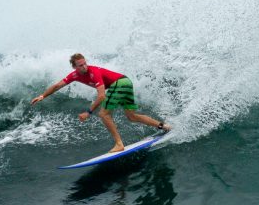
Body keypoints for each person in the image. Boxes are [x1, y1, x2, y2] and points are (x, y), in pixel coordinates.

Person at [31, 53, 170, 153]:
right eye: (81, 65)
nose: (85, 66)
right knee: (132, 116)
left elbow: (102, 96)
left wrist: (88, 112)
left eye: (85, 63)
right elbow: (57, 86)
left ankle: (119, 144)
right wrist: (43, 95)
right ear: (74, 67)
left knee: (103, 114)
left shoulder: (94, 72)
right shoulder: (74, 75)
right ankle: (163, 126)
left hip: (120, 83)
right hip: (126, 82)